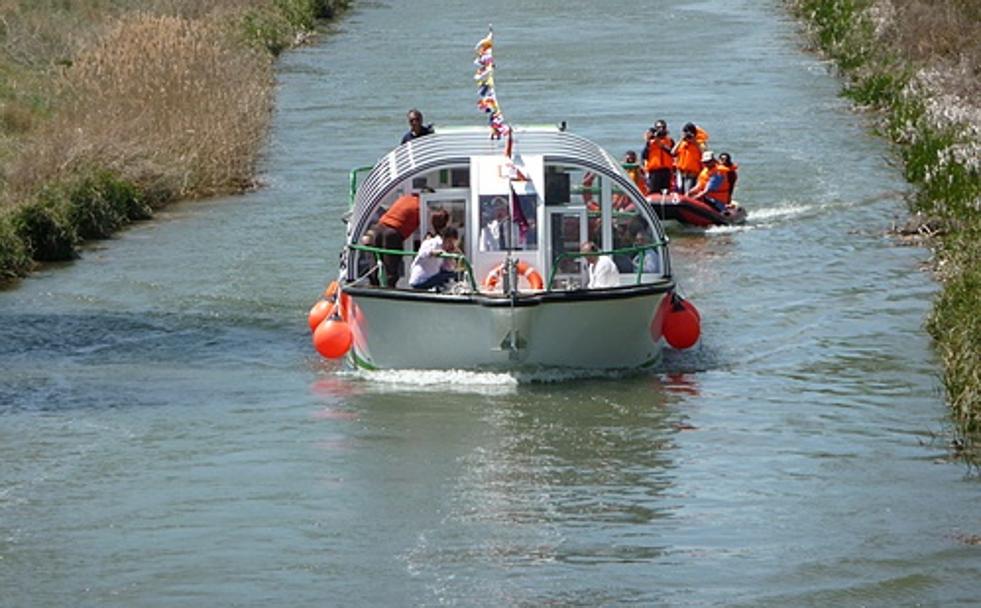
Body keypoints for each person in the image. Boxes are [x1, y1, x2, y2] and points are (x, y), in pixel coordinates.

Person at [371, 192, 421, 287]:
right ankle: (390, 290)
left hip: (379, 228)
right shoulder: (419, 206)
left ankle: (373, 286)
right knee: (391, 265)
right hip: (392, 233)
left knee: (376, 262)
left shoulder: (404, 199)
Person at [409, 226, 460, 291]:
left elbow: (448, 269)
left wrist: (450, 258)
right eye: (450, 242)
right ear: (444, 238)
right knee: (452, 275)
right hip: (421, 280)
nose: (451, 245)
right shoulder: (432, 242)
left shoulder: (443, 249)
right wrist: (433, 252)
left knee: (453, 274)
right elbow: (422, 253)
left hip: (431, 277)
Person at [642, 120, 675, 194]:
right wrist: (649, 141)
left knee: (666, 192)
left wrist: (661, 144)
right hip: (654, 171)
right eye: (659, 128)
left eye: (663, 127)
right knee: (654, 192)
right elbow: (644, 156)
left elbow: (673, 153)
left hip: (666, 170)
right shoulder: (650, 142)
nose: (661, 130)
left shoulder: (670, 141)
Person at [671, 123, 703, 193]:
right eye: (685, 132)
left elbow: (704, 153)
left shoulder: (699, 144)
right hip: (681, 172)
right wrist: (681, 140)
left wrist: (694, 142)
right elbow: (673, 152)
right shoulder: (682, 143)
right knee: (680, 191)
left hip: (692, 173)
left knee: (688, 191)